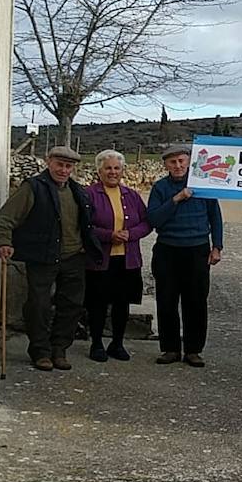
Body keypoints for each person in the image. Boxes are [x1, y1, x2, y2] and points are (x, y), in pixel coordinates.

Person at [0, 145, 99, 372]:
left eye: (68, 166)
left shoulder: (78, 191)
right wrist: (4, 241)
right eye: (59, 164)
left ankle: (59, 350)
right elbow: (6, 217)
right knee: (38, 305)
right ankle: (40, 351)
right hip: (42, 257)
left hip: (73, 257)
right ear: (48, 162)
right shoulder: (32, 188)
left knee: (71, 306)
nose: (63, 170)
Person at [146, 143, 223, 368]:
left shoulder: (204, 186)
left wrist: (217, 246)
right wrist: (177, 199)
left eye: (181, 161)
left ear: (189, 161)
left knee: (196, 302)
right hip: (167, 250)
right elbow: (154, 219)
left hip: (197, 250)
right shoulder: (160, 188)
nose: (178, 166)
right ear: (166, 165)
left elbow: (215, 217)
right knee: (167, 300)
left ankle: (193, 350)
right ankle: (170, 348)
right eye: (172, 162)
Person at [84, 149, 151, 363]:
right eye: (108, 168)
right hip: (100, 260)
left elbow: (147, 222)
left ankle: (117, 343)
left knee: (122, 303)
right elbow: (84, 226)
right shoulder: (89, 194)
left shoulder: (132, 195)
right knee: (98, 303)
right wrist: (107, 235)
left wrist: (130, 234)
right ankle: (96, 343)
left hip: (127, 259)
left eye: (116, 168)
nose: (112, 172)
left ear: (122, 170)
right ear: (99, 171)